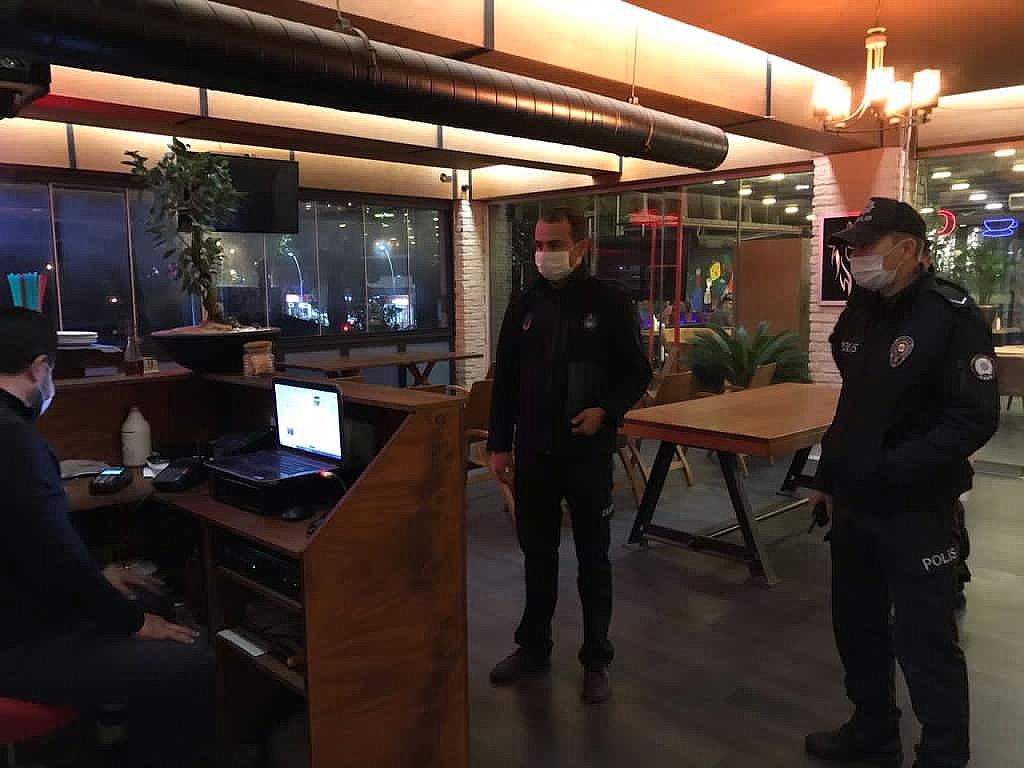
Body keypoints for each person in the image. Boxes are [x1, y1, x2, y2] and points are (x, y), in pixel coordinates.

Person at [806, 198, 999, 768]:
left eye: (867, 246)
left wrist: (892, 469)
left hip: (918, 507)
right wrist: (828, 474)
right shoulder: (862, 311)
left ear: (909, 249)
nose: (856, 258)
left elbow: (973, 418)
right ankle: (873, 731)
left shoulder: (952, 316)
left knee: (925, 639)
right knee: (857, 627)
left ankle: (943, 754)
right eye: (852, 248)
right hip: (856, 503)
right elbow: (853, 404)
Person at [0, 308, 216, 768]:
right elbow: (53, 559)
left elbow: (28, 544)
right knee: (191, 658)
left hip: (17, 613)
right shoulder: (14, 442)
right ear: (39, 368)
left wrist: (99, 577)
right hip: (16, 647)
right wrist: (135, 625)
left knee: (150, 599)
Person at [487, 207, 652, 703]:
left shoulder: (610, 301)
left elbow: (637, 372)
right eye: (539, 245)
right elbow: (505, 380)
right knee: (537, 557)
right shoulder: (524, 303)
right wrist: (498, 444)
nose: (544, 254)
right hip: (533, 454)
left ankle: (596, 659)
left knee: (593, 559)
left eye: (555, 245)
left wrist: (606, 410)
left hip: (586, 454)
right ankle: (533, 646)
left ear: (580, 247)